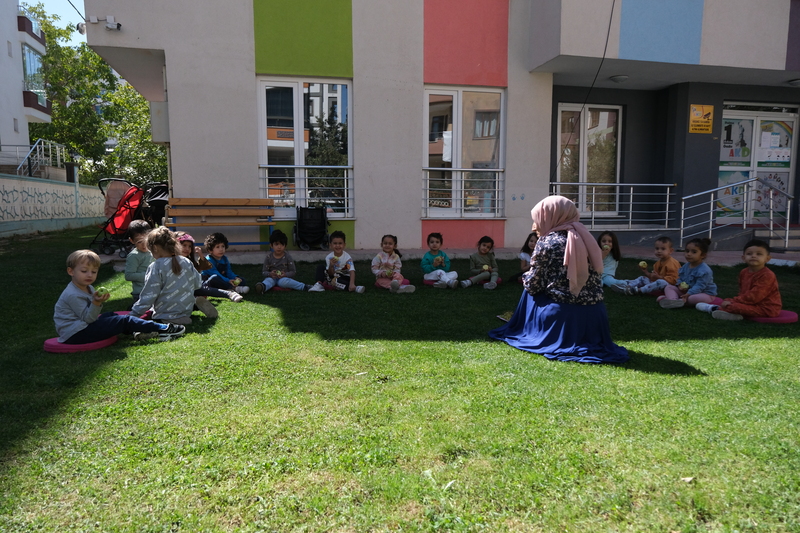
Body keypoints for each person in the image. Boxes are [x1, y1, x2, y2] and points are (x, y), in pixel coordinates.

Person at [488, 195, 628, 364]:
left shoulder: (547, 241)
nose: (535, 225)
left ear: (551, 217)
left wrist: (525, 276)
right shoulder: (586, 237)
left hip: (562, 314)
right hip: (595, 314)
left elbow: (534, 284)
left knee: (529, 287)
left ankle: (525, 327)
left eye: (539, 219)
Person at [54, 249, 185, 344]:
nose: (89, 275)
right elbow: (88, 319)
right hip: (76, 334)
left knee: (111, 315)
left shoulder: (87, 287)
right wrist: (96, 303)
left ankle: (138, 331)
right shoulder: (72, 294)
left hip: (80, 328)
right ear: (71, 271)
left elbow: (89, 317)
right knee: (123, 320)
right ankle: (164, 328)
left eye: (94, 272)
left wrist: (96, 302)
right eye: (84, 271)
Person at [696, 239, 782, 320]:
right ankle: (729, 312)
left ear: (767, 258)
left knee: (733, 306)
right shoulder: (744, 272)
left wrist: (734, 302)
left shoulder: (767, 275)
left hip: (766, 308)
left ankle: (714, 308)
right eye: (749, 254)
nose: (753, 256)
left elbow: (754, 296)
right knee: (727, 301)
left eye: (759, 254)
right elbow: (742, 292)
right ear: (743, 258)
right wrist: (734, 301)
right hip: (749, 303)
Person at [131, 227, 202, 325]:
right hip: (186, 311)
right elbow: (198, 284)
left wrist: (133, 314)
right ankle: (183, 316)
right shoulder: (186, 261)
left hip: (164, 314)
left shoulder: (156, 266)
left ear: (155, 248)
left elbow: (149, 295)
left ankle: (170, 320)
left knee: (144, 313)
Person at [176, 231, 243, 303]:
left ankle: (230, 293)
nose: (187, 248)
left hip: (194, 288)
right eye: (184, 245)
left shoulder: (189, 261)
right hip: (182, 291)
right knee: (214, 279)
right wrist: (228, 281)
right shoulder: (172, 261)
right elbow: (213, 272)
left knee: (242, 279)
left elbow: (228, 271)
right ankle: (231, 289)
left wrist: (234, 278)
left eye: (189, 246)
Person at [658, 237, 717, 309]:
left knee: (693, 298)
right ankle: (673, 300)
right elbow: (680, 277)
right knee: (669, 287)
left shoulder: (705, 270)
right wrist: (679, 285)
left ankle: (678, 300)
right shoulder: (686, 266)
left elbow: (700, 286)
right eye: (687, 251)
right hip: (686, 291)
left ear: (703, 255)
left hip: (704, 294)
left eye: (694, 252)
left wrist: (689, 294)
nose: (689, 254)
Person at [614, 236, 680, 295]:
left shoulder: (672, 263)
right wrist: (646, 272)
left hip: (668, 287)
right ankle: (627, 286)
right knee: (643, 278)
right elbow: (653, 277)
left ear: (670, 251)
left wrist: (659, 277)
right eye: (657, 248)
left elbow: (674, 280)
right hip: (656, 284)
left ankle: (637, 290)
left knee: (661, 282)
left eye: (663, 249)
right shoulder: (657, 263)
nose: (659, 251)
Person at [255, 229, 311, 293]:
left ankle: (304, 286)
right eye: (276, 244)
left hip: (283, 278)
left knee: (284, 282)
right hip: (272, 278)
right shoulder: (268, 257)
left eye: (282, 245)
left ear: (285, 246)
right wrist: (270, 274)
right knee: (268, 281)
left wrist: (285, 274)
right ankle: (262, 287)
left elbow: (293, 271)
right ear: (271, 245)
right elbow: (264, 271)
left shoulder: (287, 257)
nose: (279, 247)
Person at [124, 220, 154, 303]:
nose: (144, 245)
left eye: (146, 240)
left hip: (154, 290)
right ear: (132, 241)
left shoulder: (152, 251)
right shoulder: (134, 256)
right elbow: (129, 275)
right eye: (139, 241)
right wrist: (148, 275)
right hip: (141, 293)